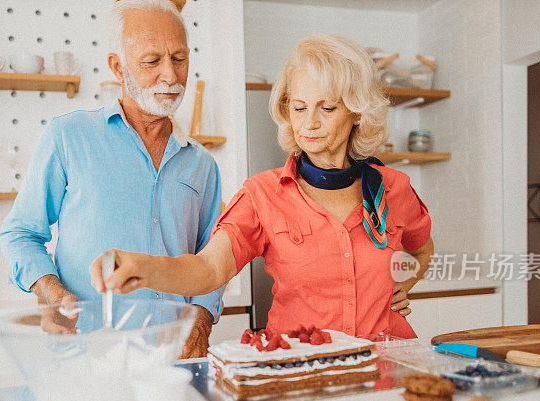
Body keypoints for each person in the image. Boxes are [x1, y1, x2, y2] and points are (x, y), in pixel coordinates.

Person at [89, 34, 434, 339]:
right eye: (298, 108)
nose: (309, 123)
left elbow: (421, 250)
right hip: (300, 372)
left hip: (386, 367)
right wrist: (146, 268)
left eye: (327, 108)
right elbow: (210, 268)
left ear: (357, 113)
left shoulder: (393, 188)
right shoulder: (261, 195)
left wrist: (405, 283)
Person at [0, 0, 225, 356]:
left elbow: (213, 259)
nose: (170, 75)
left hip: (175, 360)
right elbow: (20, 234)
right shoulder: (68, 137)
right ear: (118, 68)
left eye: (179, 59)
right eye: (152, 61)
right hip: (87, 353)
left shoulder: (203, 165)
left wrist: (200, 320)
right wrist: (52, 293)